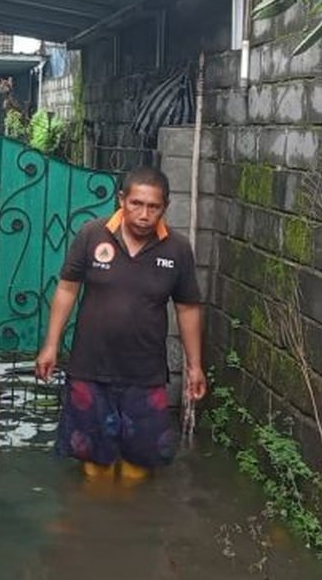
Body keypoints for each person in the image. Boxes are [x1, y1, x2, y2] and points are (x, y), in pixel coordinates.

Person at [35, 166, 207, 483]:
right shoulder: (92, 234)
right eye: (136, 204)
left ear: (165, 207)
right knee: (93, 463)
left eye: (153, 207)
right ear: (121, 200)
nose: (144, 214)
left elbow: (187, 308)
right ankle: (95, 522)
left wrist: (194, 365)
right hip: (90, 368)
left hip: (144, 373)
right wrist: (51, 345)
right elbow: (67, 289)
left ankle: (129, 520)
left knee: (138, 465)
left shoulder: (177, 250)